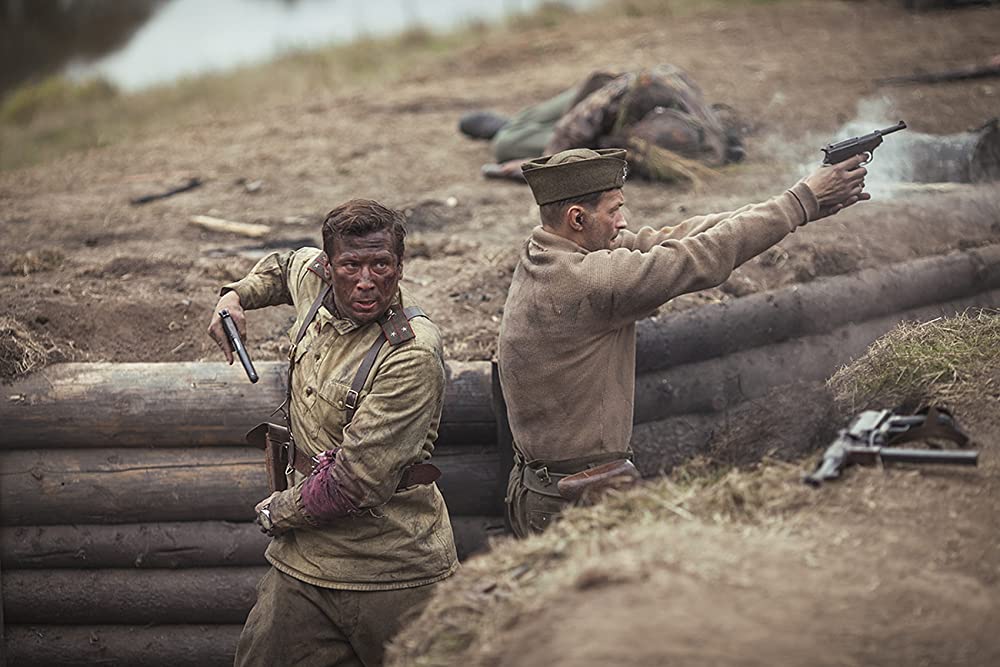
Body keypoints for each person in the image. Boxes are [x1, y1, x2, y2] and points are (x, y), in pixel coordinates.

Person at [497, 147, 870, 537]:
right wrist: (800, 203)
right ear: (577, 217)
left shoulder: (548, 251)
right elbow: (697, 256)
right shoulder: (589, 281)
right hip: (577, 502)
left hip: (543, 489)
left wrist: (796, 207)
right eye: (613, 211)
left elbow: (672, 238)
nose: (622, 222)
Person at [207, 199, 458, 666]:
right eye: (351, 266)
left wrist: (275, 514)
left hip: (392, 569)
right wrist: (234, 296)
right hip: (304, 561)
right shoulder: (315, 280)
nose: (366, 281)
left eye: (381, 265)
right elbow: (284, 266)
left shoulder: (411, 355)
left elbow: (356, 481)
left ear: (400, 267)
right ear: (328, 266)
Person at [459, 65, 745, 181]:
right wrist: (548, 164)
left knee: (508, 142)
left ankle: (514, 128)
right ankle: (513, 127)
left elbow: (621, 162)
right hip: (597, 97)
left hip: (601, 132)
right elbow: (577, 125)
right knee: (510, 141)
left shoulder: (706, 147)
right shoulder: (647, 90)